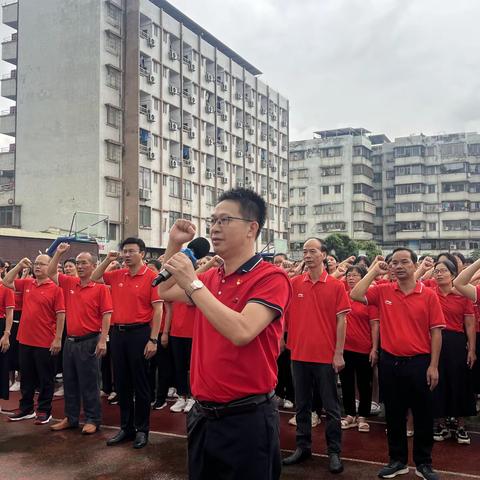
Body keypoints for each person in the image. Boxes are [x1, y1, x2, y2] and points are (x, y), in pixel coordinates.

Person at [158, 188, 292, 480]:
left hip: (246, 418)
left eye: (224, 220)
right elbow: (165, 289)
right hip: (203, 415)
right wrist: (174, 245)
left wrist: (194, 284)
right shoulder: (210, 277)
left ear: (251, 228)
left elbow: (243, 331)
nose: (214, 228)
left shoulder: (271, 277)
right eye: (213, 220)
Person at [350, 248, 445, 480]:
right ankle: (397, 461)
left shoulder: (428, 294)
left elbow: (436, 332)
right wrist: (374, 270)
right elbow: (355, 293)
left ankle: (424, 464)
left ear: (415, 265)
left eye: (405, 262)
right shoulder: (383, 291)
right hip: (390, 363)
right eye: (394, 262)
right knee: (393, 414)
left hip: (419, 362)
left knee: (423, 415)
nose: (399, 266)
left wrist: (433, 365)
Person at [282, 238, 349, 474]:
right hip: (298, 354)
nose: (307, 255)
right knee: (302, 405)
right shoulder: (294, 283)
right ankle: (303, 447)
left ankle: (334, 451)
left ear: (324, 255)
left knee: (331, 408)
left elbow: (342, 321)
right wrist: (283, 340)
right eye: (304, 251)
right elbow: (284, 317)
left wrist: (338, 353)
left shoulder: (336, 286)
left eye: (312, 251)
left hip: (325, 356)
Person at [91, 237, 162, 449]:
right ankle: (126, 427)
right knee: (121, 383)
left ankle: (142, 430)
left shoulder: (152, 276)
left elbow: (158, 310)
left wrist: (153, 339)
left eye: (131, 251)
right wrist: (108, 260)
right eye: (124, 251)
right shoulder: (117, 275)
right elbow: (94, 278)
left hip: (140, 333)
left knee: (140, 384)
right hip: (118, 333)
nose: (127, 255)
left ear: (142, 253)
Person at [47, 243, 113, 434]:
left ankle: (93, 419)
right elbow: (52, 272)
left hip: (90, 341)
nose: (80, 266)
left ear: (93, 265)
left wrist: (103, 340)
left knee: (90, 383)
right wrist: (58, 253)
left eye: (84, 263)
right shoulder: (69, 283)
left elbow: (107, 315)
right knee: (70, 381)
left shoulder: (100, 288)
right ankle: (71, 417)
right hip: (70, 341)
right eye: (78, 263)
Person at [3, 255, 65, 424]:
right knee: (27, 377)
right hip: (25, 339)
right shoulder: (28, 283)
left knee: (45, 378)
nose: (37, 267)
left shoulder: (56, 287)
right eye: (36, 264)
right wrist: (18, 266)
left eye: (42, 264)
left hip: (45, 341)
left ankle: (45, 410)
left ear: (50, 266)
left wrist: (58, 338)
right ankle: (26, 408)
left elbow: (61, 315)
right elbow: (7, 282)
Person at [426, 259, 476, 445]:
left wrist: (471, 348)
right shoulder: (430, 293)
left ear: (453, 275)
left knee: (460, 382)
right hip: (433, 341)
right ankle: (441, 424)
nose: (438, 274)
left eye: (443, 271)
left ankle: (460, 425)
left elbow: (469, 323)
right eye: (436, 271)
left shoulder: (463, 295)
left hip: (456, 341)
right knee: (437, 382)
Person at [340, 265, 379, 433]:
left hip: (364, 348)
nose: (351, 278)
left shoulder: (367, 299)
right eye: (349, 275)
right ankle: (349, 414)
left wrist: (374, 348)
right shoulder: (342, 296)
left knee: (365, 384)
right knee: (347, 383)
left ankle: (362, 416)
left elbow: (374, 325)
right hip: (345, 348)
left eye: (355, 275)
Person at [0, 280, 15, 414]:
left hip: (1, 326)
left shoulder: (6, 288)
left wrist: (6, 334)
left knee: (1, 366)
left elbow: (10, 312)